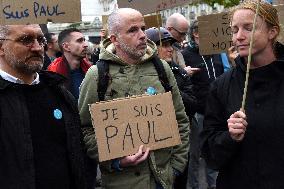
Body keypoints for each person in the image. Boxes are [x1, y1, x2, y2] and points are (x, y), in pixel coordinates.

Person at [79, 8, 190, 189]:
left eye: (143, 28)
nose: (142, 35)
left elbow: (180, 119)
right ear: (115, 39)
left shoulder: (161, 68)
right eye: (132, 30)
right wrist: (117, 161)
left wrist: (176, 167)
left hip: (163, 180)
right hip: (122, 182)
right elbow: (86, 130)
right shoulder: (97, 75)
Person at [200, 1, 284, 188]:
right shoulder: (221, 86)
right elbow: (209, 151)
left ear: (272, 32)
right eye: (234, 30)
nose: (239, 37)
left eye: (248, 28)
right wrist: (229, 137)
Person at [0, 24, 86, 189]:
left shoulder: (60, 92)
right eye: (26, 40)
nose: (38, 47)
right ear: (1, 48)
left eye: (41, 39)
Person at [146, 27, 197, 189]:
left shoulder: (178, 72)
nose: (170, 49)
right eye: (164, 45)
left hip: (178, 146)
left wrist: (170, 89)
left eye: (170, 44)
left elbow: (192, 105)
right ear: (150, 47)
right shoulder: (140, 73)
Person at [182, 20, 225, 189]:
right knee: (195, 155)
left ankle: (213, 186)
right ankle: (193, 186)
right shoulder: (186, 55)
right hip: (198, 113)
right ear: (196, 34)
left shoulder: (217, 53)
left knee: (213, 152)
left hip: (217, 113)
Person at [48, 28, 91, 100]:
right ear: (66, 47)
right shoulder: (52, 75)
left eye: (84, 40)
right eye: (79, 41)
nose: (86, 44)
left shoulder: (91, 70)